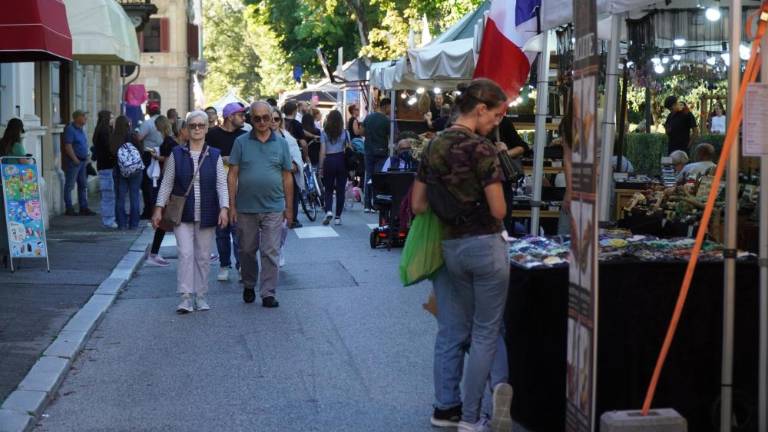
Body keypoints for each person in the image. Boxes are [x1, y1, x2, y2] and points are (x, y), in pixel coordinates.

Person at [410, 78, 513, 432]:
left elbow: (417, 204)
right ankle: (474, 414)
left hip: (451, 249)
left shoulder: (433, 145)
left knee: (455, 329)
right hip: (486, 245)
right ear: (480, 109)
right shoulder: (482, 149)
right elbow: (498, 209)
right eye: (497, 115)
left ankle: (451, 408)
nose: (497, 122)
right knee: (486, 331)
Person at [152, 111, 229, 314]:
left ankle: (201, 296)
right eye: (192, 125)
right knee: (185, 254)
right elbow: (166, 183)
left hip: (207, 212)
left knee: (203, 256)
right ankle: (185, 298)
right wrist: (158, 209)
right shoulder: (177, 154)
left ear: (206, 128)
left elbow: (222, 185)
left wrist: (224, 208)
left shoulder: (214, 155)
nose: (196, 129)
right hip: (182, 214)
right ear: (186, 129)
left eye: (200, 126)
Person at [228, 101, 294, 308]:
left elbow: (287, 177)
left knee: (270, 251)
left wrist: (289, 208)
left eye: (267, 118)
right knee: (246, 250)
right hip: (246, 207)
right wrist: (231, 206)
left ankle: (268, 293)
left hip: (274, 206)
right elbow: (232, 175)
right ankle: (249, 284)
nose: (263, 122)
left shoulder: (281, 143)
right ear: (251, 119)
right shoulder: (240, 142)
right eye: (257, 118)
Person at [206, 102, 248, 281]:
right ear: (230, 116)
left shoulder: (245, 135)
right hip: (217, 186)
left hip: (241, 187)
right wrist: (219, 157)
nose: (244, 118)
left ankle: (241, 265)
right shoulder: (212, 134)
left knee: (239, 228)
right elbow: (204, 155)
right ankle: (224, 264)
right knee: (222, 228)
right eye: (240, 115)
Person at [145, 115, 180, 267]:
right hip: (169, 185)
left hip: (166, 183)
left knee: (172, 221)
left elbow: (166, 161)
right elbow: (168, 162)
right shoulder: (171, 142)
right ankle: (153, 253)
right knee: (171, 220)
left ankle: (154, 252)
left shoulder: (169, 141)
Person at [271, 108, 304, 264]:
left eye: (276, 119)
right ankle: (272, 251)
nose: (272, 122)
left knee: (283, 224)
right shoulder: (254, 139)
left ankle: (279, 247)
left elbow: (297, 163)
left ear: (281, 121)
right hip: (264, 189)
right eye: (269, 118)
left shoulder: (288, 139)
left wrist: (285, 166)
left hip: (283, 185)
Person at [112, 116, 144, 230]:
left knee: (120, 198)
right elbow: (141, 150)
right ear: (128, 124)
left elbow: (111, 154)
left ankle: (121, 224)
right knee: (134, 196)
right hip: (135, 170)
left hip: (120, 171)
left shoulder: (114, 138)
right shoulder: (133, 136)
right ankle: (134, 224)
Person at [361, 97, 392, 212]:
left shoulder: (368, 117)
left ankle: (367, 205)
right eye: (390, 107)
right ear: (386, 106)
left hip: (368, 150)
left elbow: (361, 132)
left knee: (368, 176)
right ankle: (376, 203)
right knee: (378, 177)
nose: (391, 109)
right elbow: (392, 136)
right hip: (381, 151)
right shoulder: (386, 120)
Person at [318, 110, 349, 226]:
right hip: (341, 160)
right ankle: (338, 217)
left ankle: (329, 211)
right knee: (341, 190)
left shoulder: (324, 132)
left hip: (329, 160)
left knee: (328, 189)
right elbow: (349, 149)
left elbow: (322, 151)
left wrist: (320, 167)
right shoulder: (345, 132)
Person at [63, 110, 95, 216]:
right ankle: (69, 208)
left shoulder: (81, 129)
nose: (86, 118)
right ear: (77, 118)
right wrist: (74, 159)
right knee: (70, 185)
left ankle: (83, 207)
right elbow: (68, 145)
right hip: (74, 162)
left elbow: (83, 144)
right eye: (84, 116)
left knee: (83, 184)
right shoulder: (70, 129)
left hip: (82, 161)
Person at [138, 101, 164, 219]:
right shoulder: (164, 121)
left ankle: (149, 209)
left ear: (149, 111)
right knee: (159, 183)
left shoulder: (147, 123)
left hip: (149, 155)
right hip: (162, 154)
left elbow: (139, 138)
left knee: (147, 184)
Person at [92, 111, 117, 228]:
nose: (113, 120)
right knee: (108, 195)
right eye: (111, 117)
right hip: (108, 166)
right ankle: (108, 220)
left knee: (107, 194)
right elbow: (110, 149)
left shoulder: (98, 131)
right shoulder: (105, 133)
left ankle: (108, 219)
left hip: (102, 166)